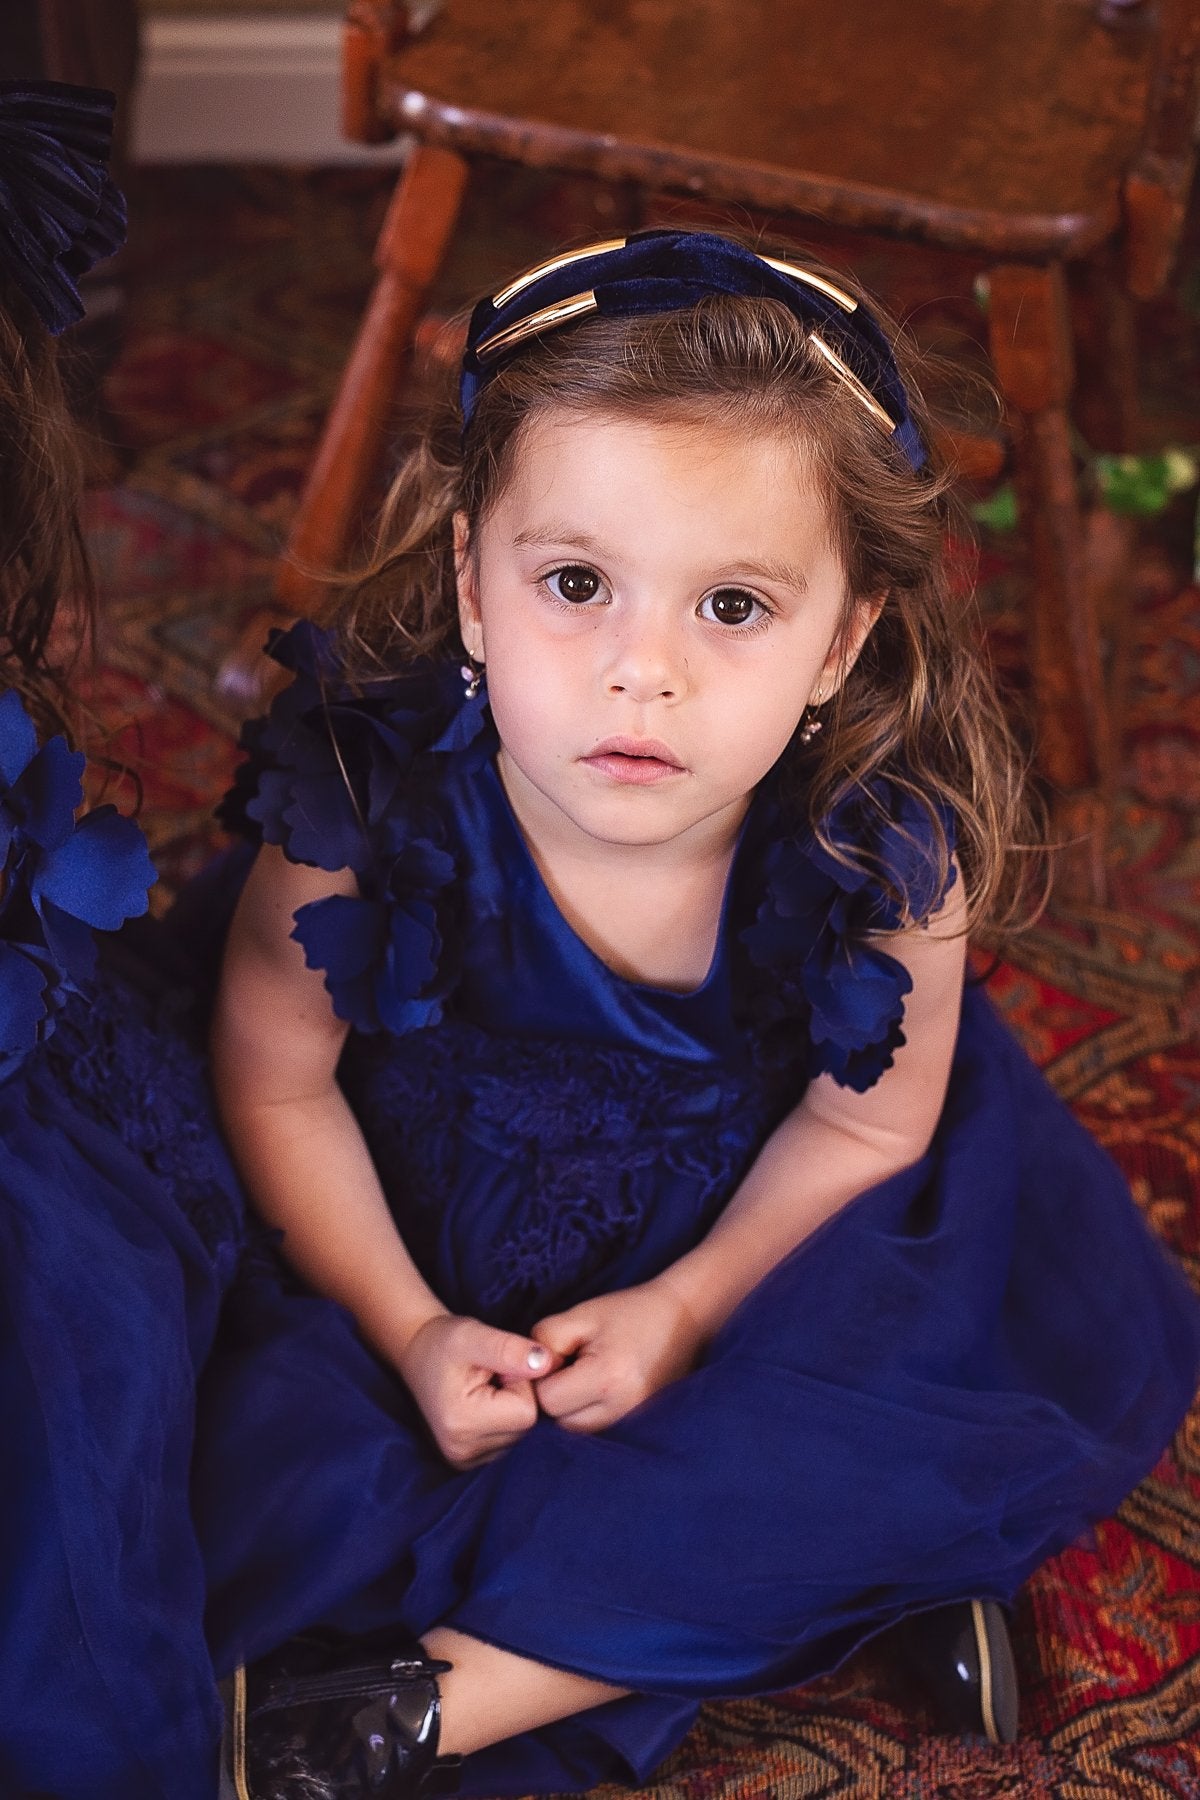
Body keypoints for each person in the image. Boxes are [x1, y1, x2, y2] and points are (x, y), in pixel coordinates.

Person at [207, 232, 1200, 1800]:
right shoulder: (356, 803)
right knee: (223, 1420)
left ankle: (411, 1710)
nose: (642, 673)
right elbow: (275, 1086)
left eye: (732, 604)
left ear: (842, 639)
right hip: (396, 1225)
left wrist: (687, 1310)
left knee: (881, 1400)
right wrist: (408, 1327)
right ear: (472, 586)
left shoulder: (885, 855)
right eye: (576, 585)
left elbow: (864, 1128)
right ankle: (847, 1597)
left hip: (763, 1228)